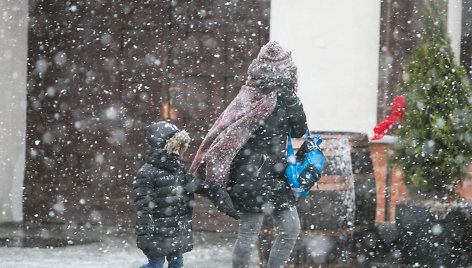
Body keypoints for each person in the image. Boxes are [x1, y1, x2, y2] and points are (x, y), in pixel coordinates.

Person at [190, 41, 307, 268]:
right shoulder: (250, 94)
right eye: (288, 68)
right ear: (279, 69)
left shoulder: (286, 95)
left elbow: (300, 130)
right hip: (249, 175)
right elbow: (225, 133)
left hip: (276, 173)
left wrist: (294, 104)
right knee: (248, 235)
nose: (292, 72)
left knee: (291, 229)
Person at [134, 121, 239, 268]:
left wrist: (221, 197)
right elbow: (143, 207)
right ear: (161, 149)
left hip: (175, 231)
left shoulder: (179, 171)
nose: (177, 153)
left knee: (177, 264)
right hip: (157, 233)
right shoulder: (146, 174)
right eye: (174, 149)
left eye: (179, 149)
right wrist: (144, 235)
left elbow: (198, 185)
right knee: (156, 265)